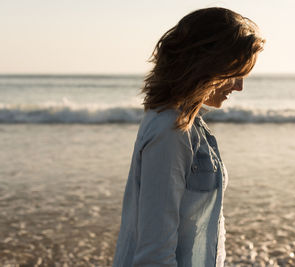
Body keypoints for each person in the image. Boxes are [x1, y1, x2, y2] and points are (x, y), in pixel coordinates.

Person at [113, 7, 264, 266]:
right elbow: (154, 255)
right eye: (235, 73)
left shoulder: (188, 125)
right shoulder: (170, 130)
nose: (239, 87)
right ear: (207, 65)